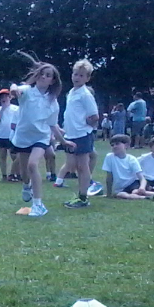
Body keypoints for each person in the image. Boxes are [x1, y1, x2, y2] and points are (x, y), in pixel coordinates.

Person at [10, 56, 71, 217]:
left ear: (52, 81)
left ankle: (38, 205)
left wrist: (63, 141)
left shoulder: (53, 102)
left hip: (41, 138)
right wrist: (14, 89)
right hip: (23, 137)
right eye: (42, 73)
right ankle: (26, 185)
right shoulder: (27, 92)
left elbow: (53, 125)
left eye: (48, 75)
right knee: (24, 172)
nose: (44, 76)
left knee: (32, 165)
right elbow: (16, 87)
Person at [58, 59, 102, 209]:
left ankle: (83, 198)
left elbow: (94, 116)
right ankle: (80, 194)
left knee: (83, 166)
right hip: (71, 134)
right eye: (75, 74)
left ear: (87, 78)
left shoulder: (85, 94)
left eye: (81, 75)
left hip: (82, 134)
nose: (77, 77)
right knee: (75, 165)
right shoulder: (71, 92)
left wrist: (84, 125)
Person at [103, 134, 154, 199]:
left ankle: (150, 195)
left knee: (135, 191)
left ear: (126, 145)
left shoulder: (131, 159)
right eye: (112, 145)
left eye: (117, 144)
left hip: (133, 183)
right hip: (121, 188)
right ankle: (147, 198)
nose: (114, 146)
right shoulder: (109, 157)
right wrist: (109, 194)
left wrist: (142, 187)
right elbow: (109, 177)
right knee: (121, 195)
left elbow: (141, 177)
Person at [0, 89, 20, 181]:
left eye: (5, 96)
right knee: (2, 156)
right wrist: (2, 109)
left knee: (15, 156)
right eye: (2, 97)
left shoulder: (16, 108)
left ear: (10, 97)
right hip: (0, 135)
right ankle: (4, 175)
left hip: (12, 135)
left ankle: (17, 174)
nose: (4, 98)